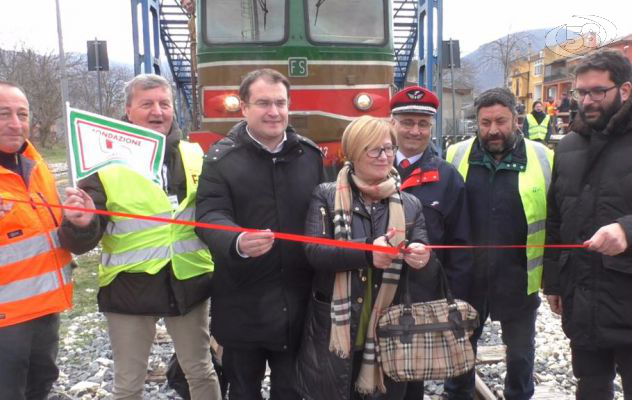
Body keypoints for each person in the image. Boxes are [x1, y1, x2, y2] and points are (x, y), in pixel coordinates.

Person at [60, 74, 221, 400]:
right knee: (129, 384)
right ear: (128, 110)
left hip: (188, 282)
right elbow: (81, 241)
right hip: (129, 287)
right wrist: (80, 223)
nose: (157, 112)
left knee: (201, 371)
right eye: (147, 104)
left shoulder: (195, 154)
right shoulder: (104, 163)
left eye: (164, 104)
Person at [195, 68, 324, 400]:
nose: (274, 112)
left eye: (281, 103)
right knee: (243, 391)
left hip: (297, 302)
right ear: (243, 107)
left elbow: (326, 212)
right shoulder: (221, 159)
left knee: (293, 391)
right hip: (242, 301)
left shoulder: (309, 156)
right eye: (263, 103)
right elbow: (209, 214)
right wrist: (236, 240)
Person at [296, 115, 439, 400]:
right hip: (337, 329)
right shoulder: (326, 195)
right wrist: (367, 253)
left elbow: (425, 255)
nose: (384, 156)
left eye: (388, 148)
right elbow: (315, 252)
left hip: (390, 328)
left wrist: (422, 258)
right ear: (353, 153)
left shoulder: (409, 204)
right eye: (374, 150)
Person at [445, 87, 553, 400]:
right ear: (476, 123)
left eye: (501, 121)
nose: (493, 130)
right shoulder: (456, 155)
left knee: (520, 355)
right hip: (468, 279)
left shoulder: (543, 158)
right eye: (485, 122)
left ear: (516, 119)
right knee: (460, 354)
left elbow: (559, 216)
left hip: (519, 278)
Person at [543, 49, 632, 399]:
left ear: (624, 91)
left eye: (598, 91)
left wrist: (626, 230)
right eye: (581, 92)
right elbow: (555, 220)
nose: (587, 101)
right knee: (591, 389)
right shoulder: (567, 147)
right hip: (583, 298)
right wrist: (553, 282)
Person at [0, 81, 95, 400]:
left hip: (44, 310)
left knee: (39, 386)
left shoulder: (34, 165)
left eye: (22, 114)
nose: (15, 123)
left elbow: (55, 236)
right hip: (6, 320)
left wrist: (78, 223)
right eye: (4, 114)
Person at [390, 86, 474, 399]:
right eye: (407, 122)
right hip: (371, 295)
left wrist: (456, 301)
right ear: (392, 123)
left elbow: (460, 245)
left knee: (411, 381)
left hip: (421, 299)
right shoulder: (370, 166)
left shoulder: (447, 178)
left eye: (423, 124)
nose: (415, 130)